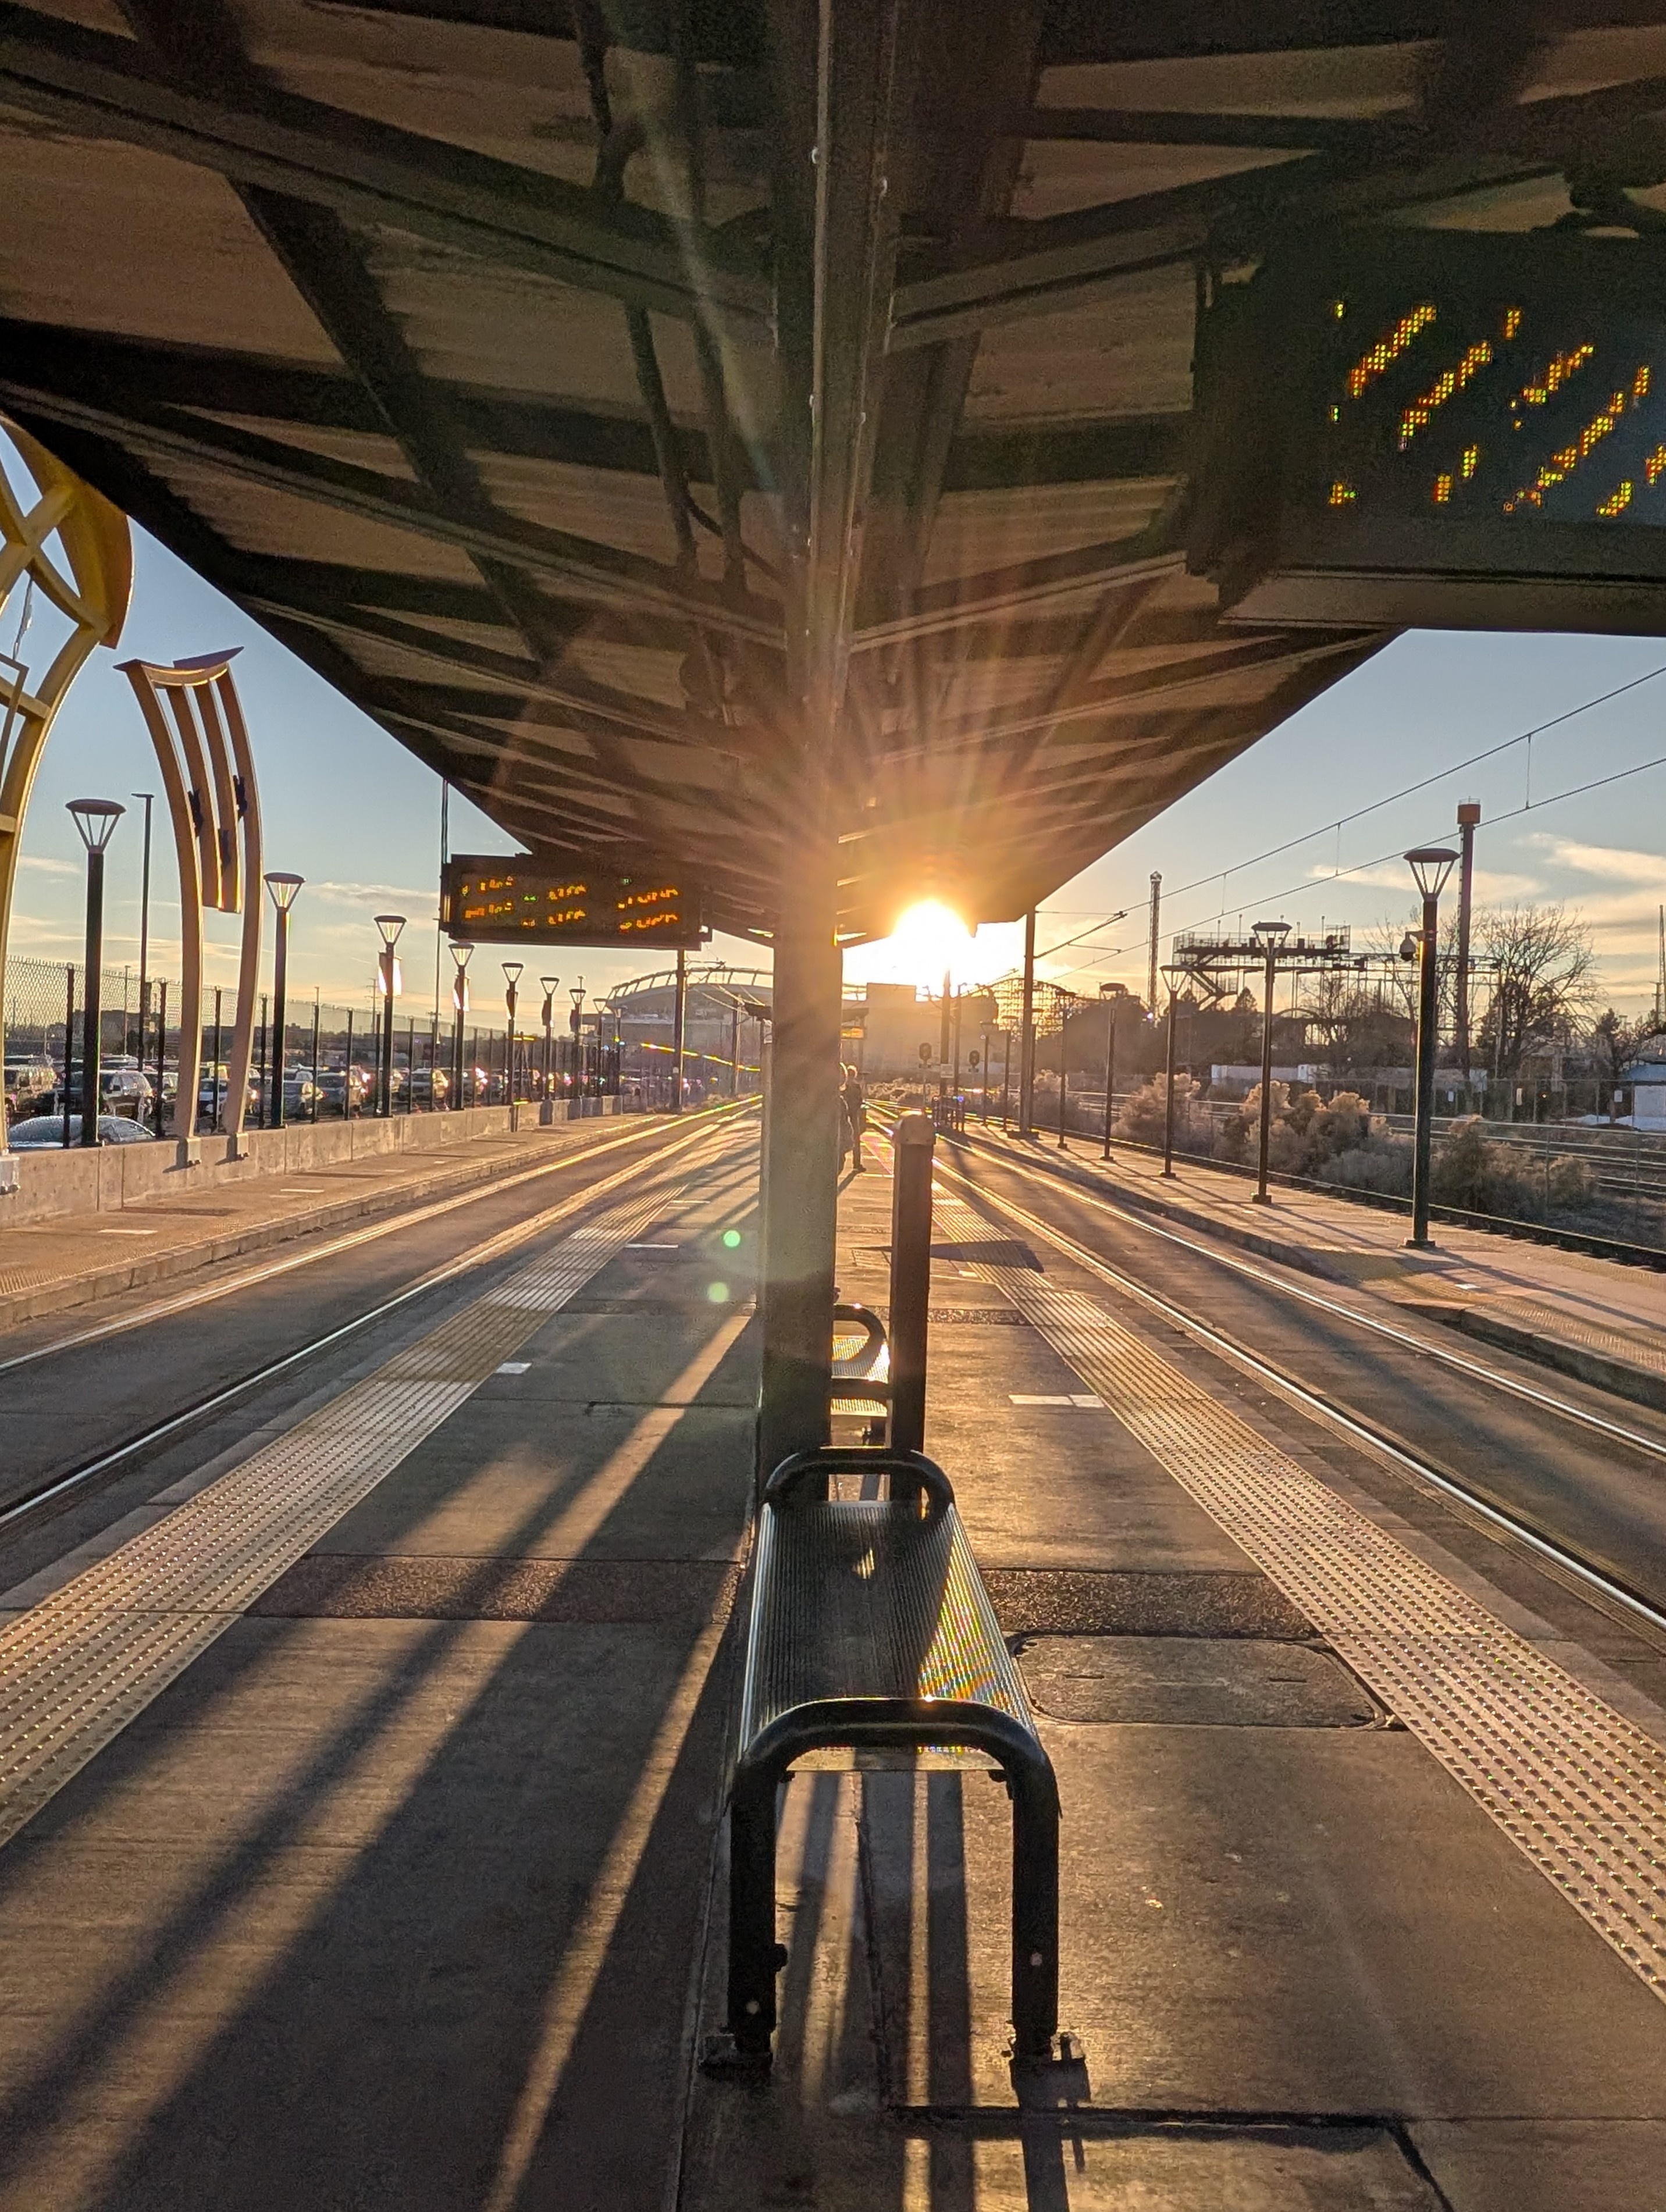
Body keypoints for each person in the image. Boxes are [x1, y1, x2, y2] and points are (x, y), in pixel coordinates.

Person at [841, 1064, 866, 1173]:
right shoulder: (857, 1087)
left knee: (843, 1136)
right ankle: (857, 1163)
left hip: (845, 1113)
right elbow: (860, 1100)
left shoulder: (844, 1087)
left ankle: (842, 1158)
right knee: (856, 1138)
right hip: (854, 1114)